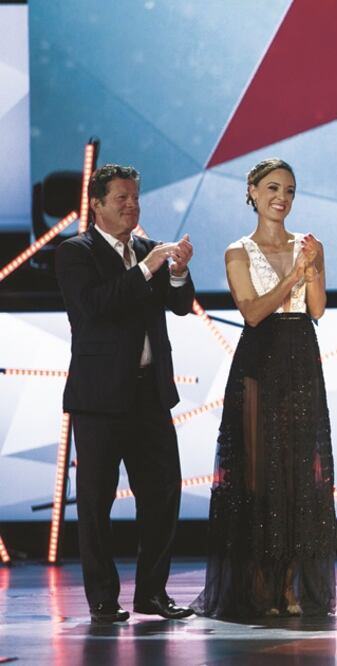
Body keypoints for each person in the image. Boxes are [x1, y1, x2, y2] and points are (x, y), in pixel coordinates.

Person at [192, 158, 336, 618]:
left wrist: (310, 269)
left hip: (300, 357)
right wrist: (294, 275)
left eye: (290, 190)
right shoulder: (239, 250)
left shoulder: (310, 245)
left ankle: (291, 585)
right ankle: (258, 583)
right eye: (273, 188)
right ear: (252, 191)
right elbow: (252, 312)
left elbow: (316, 309)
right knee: (259, 476)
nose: (282, 197)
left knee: (299, 474)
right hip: (260, 361)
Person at [55, 164, 196, 623]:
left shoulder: (147, 250)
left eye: (135, 197)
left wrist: (176, 272)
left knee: (162, 493)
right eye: (122, 198)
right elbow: (94, 307)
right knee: (95, 503)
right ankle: (102, 599)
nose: (132, 205)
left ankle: (152, 593)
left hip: (149, 395)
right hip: (99, 400)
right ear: (96, 204)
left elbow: (178, 307)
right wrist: (148, 269)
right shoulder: (75, 252)